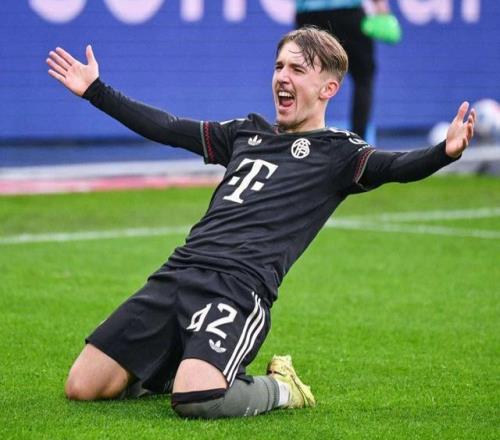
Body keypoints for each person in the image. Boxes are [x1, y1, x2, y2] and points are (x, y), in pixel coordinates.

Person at [46, 26, 475, 419]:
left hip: (236, 289)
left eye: (297, 70)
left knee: (197, 401)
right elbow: (168, 128)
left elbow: (397, 166)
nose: (282, 77)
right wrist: (97, 91)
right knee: (82, 387)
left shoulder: (340, 153)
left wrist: (443, 152)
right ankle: (176, 368)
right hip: (178, 274)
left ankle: (283, 388)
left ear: (328, 88)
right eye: (279, 66)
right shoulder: (245, 132)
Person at [296, 0, 391, 139]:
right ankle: (358, 143)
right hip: (348, 14)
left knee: (306, 78)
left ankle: (303, 139)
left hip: (309, 15)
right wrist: (381, 8)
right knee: (363, 78)